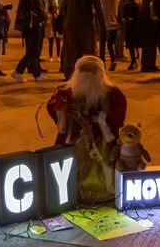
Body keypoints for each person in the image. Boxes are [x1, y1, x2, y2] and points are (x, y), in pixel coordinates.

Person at [45, 55, 127, 203]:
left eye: (92, 71)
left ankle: (98, 191)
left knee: (102, 167)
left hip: (101, 143)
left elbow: (119, 112)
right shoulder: (66, 91)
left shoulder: (112, 93)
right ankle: (69, 191)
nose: (88, 75)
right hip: (73, 140)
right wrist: (61, 110)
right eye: (84, 71)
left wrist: (102, 119)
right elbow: (52, 107)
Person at [59, 0, 105, 80]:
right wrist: (104, 29)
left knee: (71, 54)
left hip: (71, 25)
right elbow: (98, 9)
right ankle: (91, 78)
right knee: (90, 55)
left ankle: (68, 78)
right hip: (86, 25)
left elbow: (64, 5)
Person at [11, 0, 47, 82]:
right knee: (35, 49)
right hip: (33, 22)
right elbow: (39, 4)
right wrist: (45, 17)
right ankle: (18, 71)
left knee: (31, 48)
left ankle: (36, 74)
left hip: (27, 22)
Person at [98, 0, 120, 71]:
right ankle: (113, 60)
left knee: (102, 45)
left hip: (105, 24)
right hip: (114, 24)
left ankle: (102, 63)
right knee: (111, 44)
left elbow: (100, 9)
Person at [122, 0, 141, 70]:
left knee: (130, 46)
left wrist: (127, 19)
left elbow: (123, 17)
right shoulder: (138, 5)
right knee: (135, 43)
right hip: (136, 27)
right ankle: (135, 59)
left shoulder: (125, 6)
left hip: (129, 27)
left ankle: (133, 60)